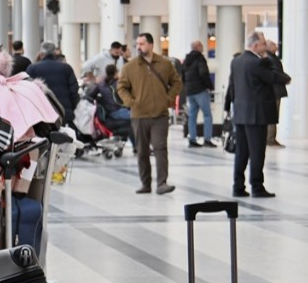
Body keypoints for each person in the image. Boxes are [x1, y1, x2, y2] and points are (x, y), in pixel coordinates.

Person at [117, 32, 184, 195]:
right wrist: (131, 102)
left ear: (151, 45)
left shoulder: (164, 64)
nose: (139, 47)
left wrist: (168, 99)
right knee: (142, 150)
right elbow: (121, 87)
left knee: (160, 147)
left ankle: (162, 182)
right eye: (137, 44)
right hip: (139, 116)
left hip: (160, 114)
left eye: (142, 44)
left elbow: (177, 82)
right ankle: (145, 183)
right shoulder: (130, 67)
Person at [228, 32, 291, 198]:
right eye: (263, 44)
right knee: (257, 152)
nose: (266, 48)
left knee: (241, 152)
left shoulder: (236, 61)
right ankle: (257, 186)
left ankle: (238, 186)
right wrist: (271, 64)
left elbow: (232, 86)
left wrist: (231, 108)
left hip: (241, 114)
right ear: (255, 46)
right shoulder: (256, 63)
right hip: (257, 115)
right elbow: (276, 77)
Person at [26, 41, 80, 126]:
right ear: (55, 53)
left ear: (41, 54)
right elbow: (74, 91)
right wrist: (72, 108)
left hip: (42, 113)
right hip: (64, 112)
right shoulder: (66, 68)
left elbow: (28, 92)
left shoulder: (32, 68)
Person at [181, 40, 217, 148]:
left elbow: (182, 75)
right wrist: (210, 86)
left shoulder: (186, 60)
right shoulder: (200, 58)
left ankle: (192, 139)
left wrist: (186, 87)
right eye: (201, 45)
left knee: (192, 116)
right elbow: (203, 73)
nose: (203, 47)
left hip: (190, 91)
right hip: (200, 90)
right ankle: (207, 139)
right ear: (197, 47)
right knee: (207, 115)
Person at [90, 65, 134, 144]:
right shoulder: (119, 83)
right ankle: (137, 146)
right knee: (138, 118)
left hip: (109, 112)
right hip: (118, 111)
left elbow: (90, 96)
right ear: (115, 73)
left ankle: (134, 145)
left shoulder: (101, 84)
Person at [265, 40, 289, 147]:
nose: (276, 47)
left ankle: (270, 138)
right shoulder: (271, 59)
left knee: (272, 114)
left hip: (274, 91)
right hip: (274, 91)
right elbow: (277, 74)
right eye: (274, 45)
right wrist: (286, 78)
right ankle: (270, 138)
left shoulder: (271, 58)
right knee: (273, 114)